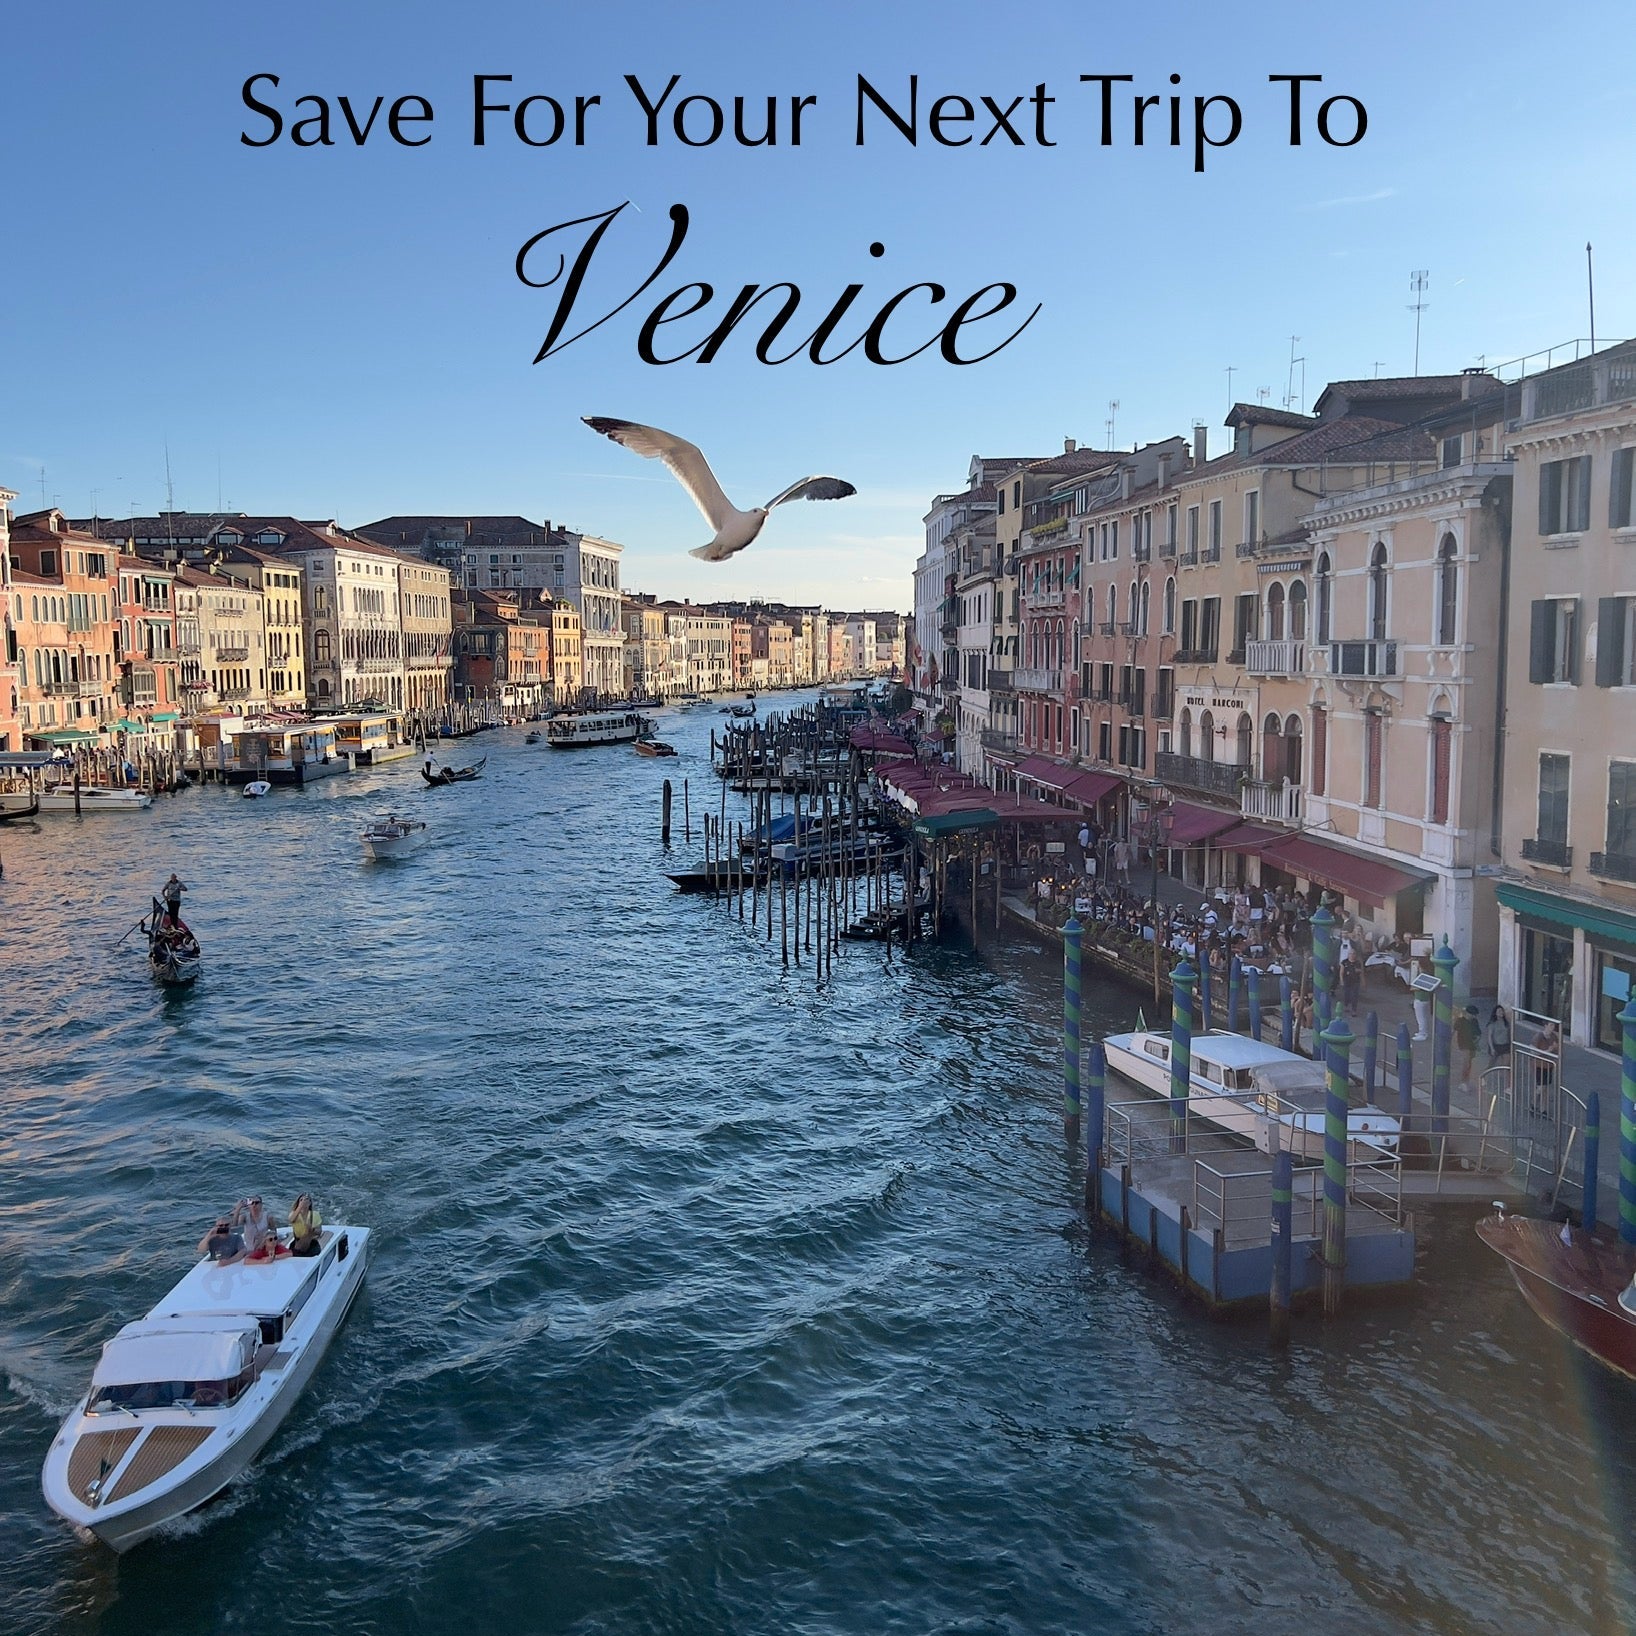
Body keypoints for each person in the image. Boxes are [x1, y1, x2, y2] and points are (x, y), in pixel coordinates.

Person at [232, 1195, 280, 1261]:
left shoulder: (267, 1217)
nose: (254, 1205)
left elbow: (274, 1232)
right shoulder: (245, 1217)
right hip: (249, 1250)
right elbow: (234, 1225)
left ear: (261, 1205)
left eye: (256, 1203)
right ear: (249, 1206)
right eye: (252, 1203)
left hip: (263, 1249)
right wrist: (238, 1209)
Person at [1484, 1005, 1512, 1070]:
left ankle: (1506, 1078)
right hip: (1496, 1045)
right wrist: (1492, 1048)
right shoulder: (1492, 1024)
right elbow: (1489, 1037)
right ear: (1495, 1013)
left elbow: (1509, 1034)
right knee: (1490, 1064)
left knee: (1506, 1066)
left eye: (1502, 1011)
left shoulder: (1506, 1023)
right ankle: (1483, 1075)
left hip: (1505, 1045)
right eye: (1499, 1011)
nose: (1501, 1012)